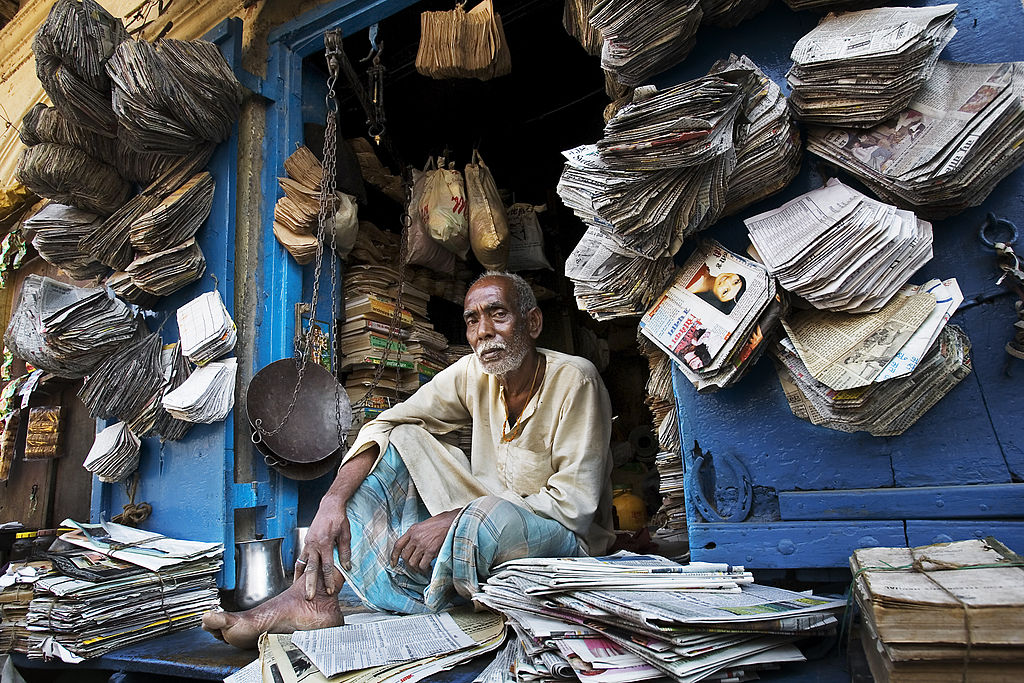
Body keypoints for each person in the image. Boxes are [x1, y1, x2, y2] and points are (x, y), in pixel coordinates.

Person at [203, 272, 615, 648]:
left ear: (533, 323)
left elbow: (572, 508)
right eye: (472, 320)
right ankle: (312, 598)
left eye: (499, 315)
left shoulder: (576, 379)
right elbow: (388, 423)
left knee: (483, 517)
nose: (484, 332)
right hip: (484, 520)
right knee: (401, 437)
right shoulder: (475, 372)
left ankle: (433, 595)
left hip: (563, 540)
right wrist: (331, 501)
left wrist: (453, 517)